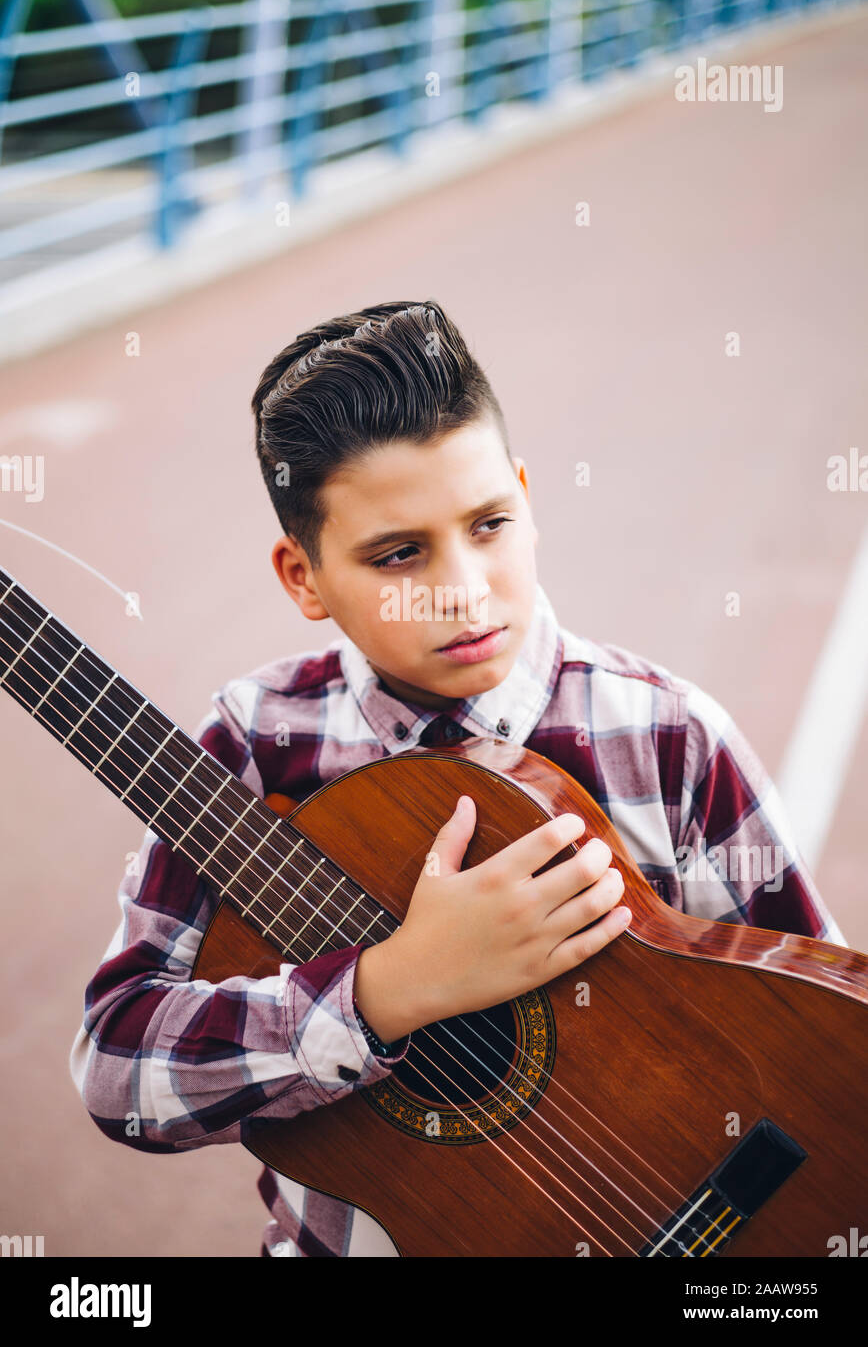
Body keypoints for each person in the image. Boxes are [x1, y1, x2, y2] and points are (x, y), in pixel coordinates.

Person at [69, 299, 845, 1257]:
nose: (464, 588)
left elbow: (831, 1057)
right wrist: (387, 992)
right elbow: (117, 1065)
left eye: (489, 524)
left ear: (526, 493)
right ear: (302, 574)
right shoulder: (251, 746)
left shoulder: (663, 736)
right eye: (398, 554)